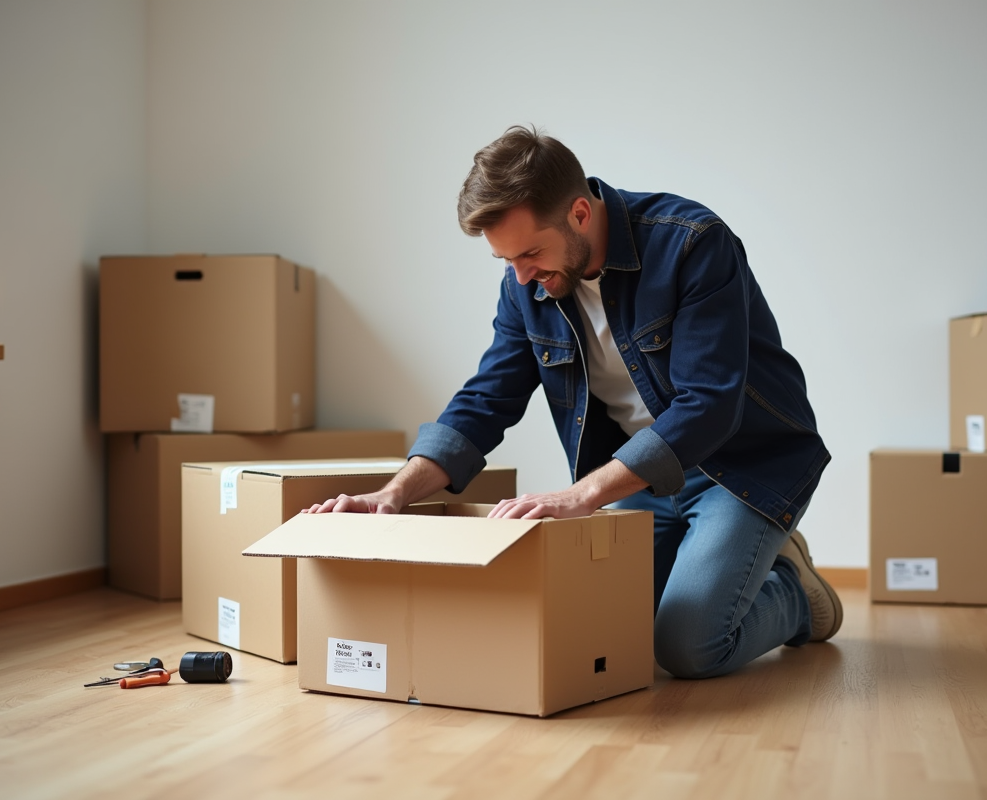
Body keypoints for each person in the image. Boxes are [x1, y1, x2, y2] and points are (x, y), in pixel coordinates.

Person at [305, 125, 841, 678]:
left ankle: (795, 594)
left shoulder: (692, 243)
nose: (522, 277)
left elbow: (708, 405)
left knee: (686, 647)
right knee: (611, 623)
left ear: (581, 214)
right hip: (646, 479)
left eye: (531, 252)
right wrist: (393, 495)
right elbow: (487, 399)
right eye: (506, 261)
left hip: (742, 469)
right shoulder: (525, 284)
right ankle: (742, 564)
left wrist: (582, 495)